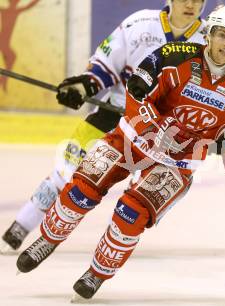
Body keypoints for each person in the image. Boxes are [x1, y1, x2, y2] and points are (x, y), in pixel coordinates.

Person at [16, 5, 225, 300]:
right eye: (221, 35)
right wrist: (152, 125)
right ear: (209, 34)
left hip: (178, 162)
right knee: (82, 189)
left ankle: (96, 274)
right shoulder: (174, 55)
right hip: (132, 139)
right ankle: (48, 239)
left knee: (131, 214)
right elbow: (137, 89)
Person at [0, 0, 209, 253]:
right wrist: (83, 87)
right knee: (66, 174)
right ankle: (21, 225)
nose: (191, 4)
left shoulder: (212, 41)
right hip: (114, 114)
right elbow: (104, 67)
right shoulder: (139, 23)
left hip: (165, 131)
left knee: (145, 193)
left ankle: (114, 246)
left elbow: (223, 98)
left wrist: (219, 131)